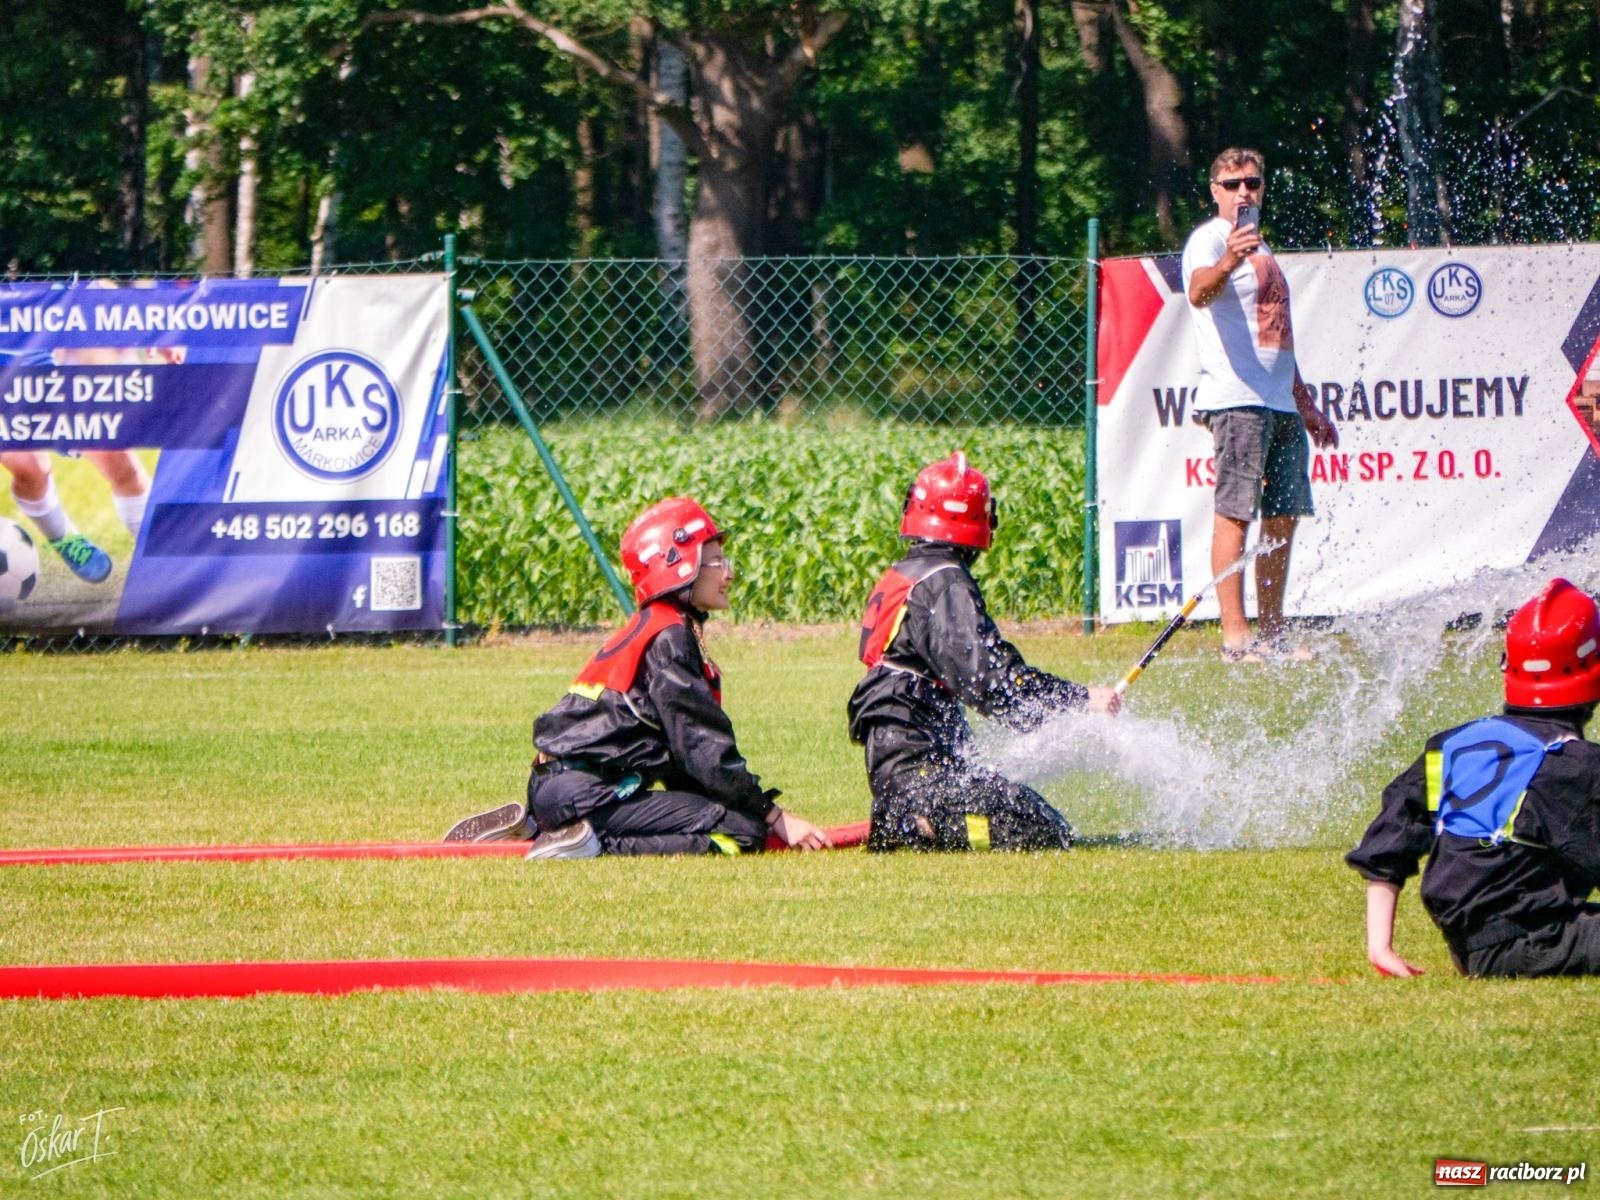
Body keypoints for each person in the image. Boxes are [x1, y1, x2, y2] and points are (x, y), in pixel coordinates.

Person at [446, 496, 831, 858]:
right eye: (716, 562)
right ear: (680, 565)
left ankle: (534, 826)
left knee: (723, 813)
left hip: (559, 785)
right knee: (741, 833)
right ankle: (589, 841)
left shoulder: (655, 626)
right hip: (591, 793)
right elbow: (703, 750)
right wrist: (774, 817)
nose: (728, 573)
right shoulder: (670, 638)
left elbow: (684, 762)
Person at [846, 451, 1120, 852]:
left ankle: (913, 822)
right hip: (916, 771)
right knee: (1042, 829)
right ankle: (919, 824)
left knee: (1027, 817)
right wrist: (1080, 699)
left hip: (901, 765)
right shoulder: (945, 582)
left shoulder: (909, 572)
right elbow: (991, 679)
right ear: (977, 520)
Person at [1346, 578, 1600, 978]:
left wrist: (1380, 946)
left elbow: (1389, 840)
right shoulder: (1578, 767)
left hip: (1475, 944)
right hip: (1531, 940)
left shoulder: (1451, 745)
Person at [1181, 147, 1339, 662]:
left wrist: (1305, 401)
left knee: (1284, 516)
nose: (1243, 191)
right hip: (1237, 398)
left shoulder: (1264, 246)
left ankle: (1273, 635)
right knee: (1235, 515)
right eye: (1232, 184)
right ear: (1214, 190)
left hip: (1278, 402)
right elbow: (1198, 292)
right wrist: (1229, 258)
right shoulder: (1208, 239)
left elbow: (1278, 333)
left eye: (1252, 182)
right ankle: (1235, 636)